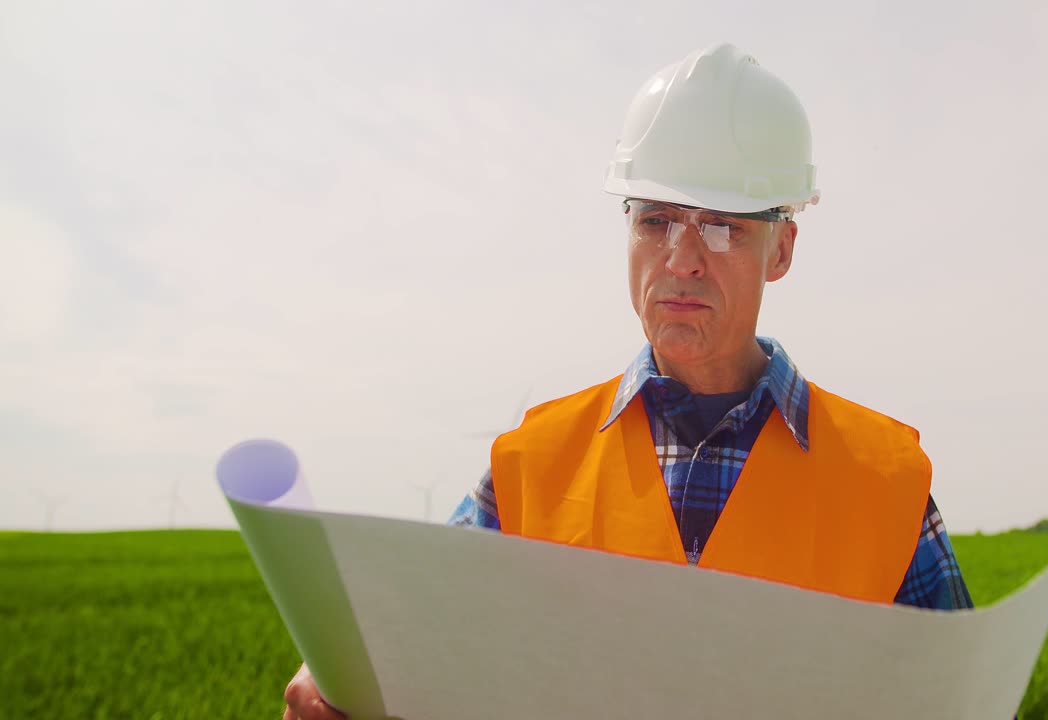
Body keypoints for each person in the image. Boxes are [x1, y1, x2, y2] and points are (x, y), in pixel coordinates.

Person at [283, 42, 974, 720]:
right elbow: (414, 653)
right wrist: (345, 679)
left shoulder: (886, 482)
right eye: (656, 221)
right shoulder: (529, 468)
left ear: (781, 250)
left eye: (722, 228)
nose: (681, 260)